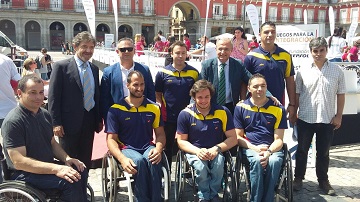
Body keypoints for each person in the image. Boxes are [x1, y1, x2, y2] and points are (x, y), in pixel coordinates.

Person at [2, 74, 88, 201]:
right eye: (33, 93)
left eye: (41, 92)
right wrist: (56, 168)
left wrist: (67, 159)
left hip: (45, 166)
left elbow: (52, 143)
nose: (38, 97)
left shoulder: (44, 114)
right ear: (20, 93)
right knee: (69, 181)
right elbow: (19, 162)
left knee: (80, 171)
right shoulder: (14, 121)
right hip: (23, 174)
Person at [293, 37, 346, 196]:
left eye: (321, 50)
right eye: (315, 51)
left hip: (327, 119)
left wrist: (339, 116)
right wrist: (294, 111)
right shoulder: (302, 70)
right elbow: (296, 93)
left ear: (326, 50)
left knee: (323, 153)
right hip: (305, 118)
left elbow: (341, 94)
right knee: (302, 151)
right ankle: (298, 178)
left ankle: (323, 180)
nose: (318, 54)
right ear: (310, 52)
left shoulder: (337, 71)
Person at [106, 71, 166, 201]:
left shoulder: (154, 108)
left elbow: (160, 134)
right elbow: (111, 140)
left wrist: (159, 149)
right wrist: (122, 159)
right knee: (138, 161)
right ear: (127, 85)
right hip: (126, 148)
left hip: (147, 146)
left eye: (142, 84)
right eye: (135, 84)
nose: (140, 88)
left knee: (154, 159)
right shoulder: (115, 109)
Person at [48, 31, 103, 169]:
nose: (88, 51)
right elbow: (54, 97)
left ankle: (82, 188)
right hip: (68, 125)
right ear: (75, 47)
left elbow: (96, 95)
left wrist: (98, 119)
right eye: (84, 47)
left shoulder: (94, 69)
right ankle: (68, 190)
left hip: (89, 122)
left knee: (85, 160)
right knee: (68, 161)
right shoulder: (61, 67)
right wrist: (56, 123)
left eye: (91, 47)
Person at [177, 79, 237, 202]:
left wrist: (217, 148)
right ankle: (203, 195)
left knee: (219, 164)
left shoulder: (223, 112)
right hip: (195, 150)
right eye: (200, 97)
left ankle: (213, 194)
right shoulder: (185, 114)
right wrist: (197, 151)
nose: (203, 101)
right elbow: (181, 141)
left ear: (211, 96)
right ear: (193, 97)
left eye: (207, 97)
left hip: (215, 149)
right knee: (200, 167)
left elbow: (233, 138)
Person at [234, 73, 287, 202]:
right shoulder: (240, 107)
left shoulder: (278, 109)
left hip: (272, 148)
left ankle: (268, 199)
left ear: (266, 88)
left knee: (274, 161)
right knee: (257, 161)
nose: (260, 89)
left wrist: (268, 152)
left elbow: (279, 139)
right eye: (256, 86)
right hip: (250, 147)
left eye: (263, 86)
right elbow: (237, 137)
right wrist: (255, 149)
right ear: (249, 88)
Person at [155, 41, 199, 169]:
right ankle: (166, 172)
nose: (180, 56)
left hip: (188, 116)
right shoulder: (162, 73)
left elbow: (197, 92)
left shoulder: (194, 73)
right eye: (177, 53)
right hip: (168, 115)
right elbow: (158, 92)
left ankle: (189, 171)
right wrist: (159, 104)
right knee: (167, 146)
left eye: (183, 53)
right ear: (171, 54)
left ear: (187, 55)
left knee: (189, 145)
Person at [244, 21, 296, 124]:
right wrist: (242, 100)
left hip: (277, 105)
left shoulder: (286, 56)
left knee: (277, 137)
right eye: (266, 32)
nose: (270, 35)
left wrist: (292, 105)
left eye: (273, 32)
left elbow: (290, 81)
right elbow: (244, 82)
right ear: (260, 35)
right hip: (255, 106)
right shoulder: (251, 56)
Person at [100, 37, 155, 120]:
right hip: (118, 116)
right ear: (117, 52)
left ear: (134, 51)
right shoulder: (108, 72)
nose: (126, 52)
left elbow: (151, 94)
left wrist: (151, 114)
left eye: (129, 49)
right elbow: (104, 98)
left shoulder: (144, 70)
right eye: (123, 49)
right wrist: (107, 118)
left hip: (141, 115)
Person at [200, 38, 252, 114]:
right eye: (220, 49)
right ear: (216, 49)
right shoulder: (207, 65)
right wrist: (192, 103)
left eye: (226, 49)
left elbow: (252, 81)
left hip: (231, 106)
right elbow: (199, 86)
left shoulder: (238, 64)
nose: (222, 52)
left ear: (231, 50)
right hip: (211, 106)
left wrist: (267, 94)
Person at [0, 53, 21, 184]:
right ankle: (13, 182)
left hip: (7, 110)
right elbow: (16, 84)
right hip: (8, 109)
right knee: (12, 148)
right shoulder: (5, 60)